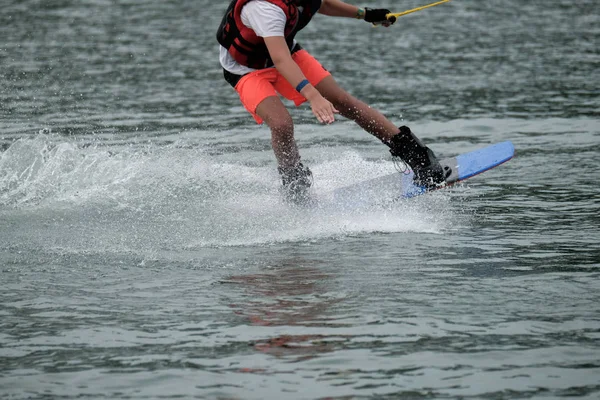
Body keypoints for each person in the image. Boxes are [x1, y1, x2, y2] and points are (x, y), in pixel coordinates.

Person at [217, 0, 447, 202]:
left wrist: (366, 14)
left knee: (343, 101)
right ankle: (295, 186)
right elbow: (281, 60)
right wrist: (313, 96)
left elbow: (323, 4)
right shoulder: (264, 8)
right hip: (246, 69)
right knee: (281, 123)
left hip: (286, 53)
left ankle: (420, 159)